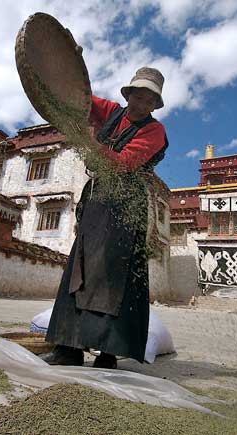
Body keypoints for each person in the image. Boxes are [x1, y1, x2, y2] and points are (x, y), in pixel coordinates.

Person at [42, 67, 168, 369]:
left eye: (149, 99)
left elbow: (124, 163)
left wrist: (89, 143)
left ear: (155, 104)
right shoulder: (111, 111)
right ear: (129, 95)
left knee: (114, 274)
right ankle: (68, 347)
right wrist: (66, 68)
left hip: (126, 205)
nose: (141, 103)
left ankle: (108, 352)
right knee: (81, 268)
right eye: (138, 95)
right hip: (98, 198)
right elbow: (77, 100)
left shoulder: (154, 131)